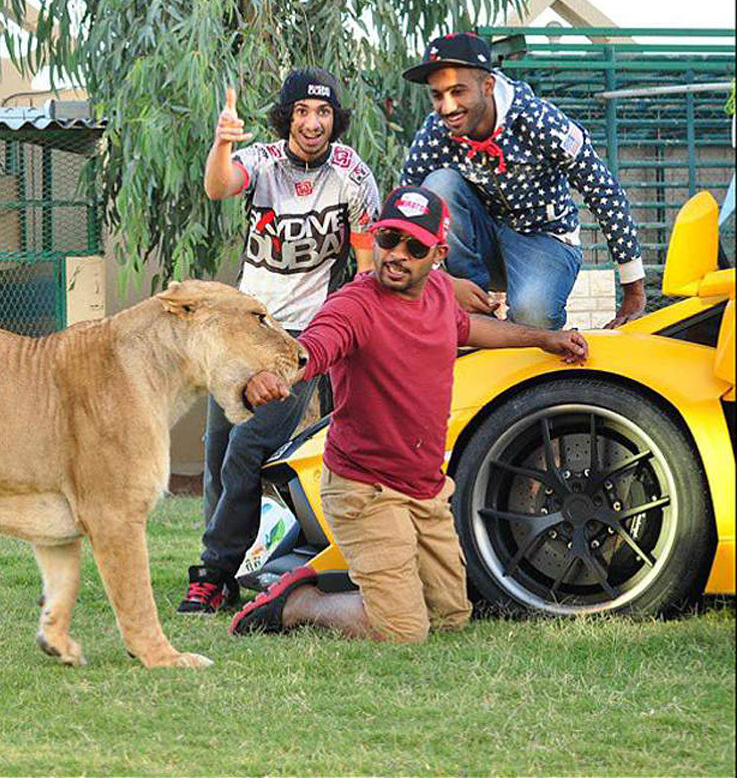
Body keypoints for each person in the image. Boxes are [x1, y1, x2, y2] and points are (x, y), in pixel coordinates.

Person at [228, 185, 588, 642]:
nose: (396, 255)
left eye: (414, 247)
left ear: (438, 254)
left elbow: (467, 327)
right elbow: (313, 348)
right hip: (365, 489)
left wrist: (542, 338)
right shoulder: (353, 306)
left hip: (426, 489)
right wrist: (273, 374)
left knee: (450, 617)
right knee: (402, 631)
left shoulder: (439, 291)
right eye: (388, 240)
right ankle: (300, 603)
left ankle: (377, 590)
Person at [177, 68, 381, 614]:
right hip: (244, 330)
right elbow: (219, 186)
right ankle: (223, 574)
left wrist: (349, 335)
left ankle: (215, 569)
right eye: (301, 112)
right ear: (286, 117)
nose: (313, 123)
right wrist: (222, 143)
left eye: (322, 113)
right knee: (220, 451)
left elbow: (366, 266)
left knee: (248, 449)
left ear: (335, 118)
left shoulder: (352, 175)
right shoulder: (264, 162)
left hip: (300, 341)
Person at [398, 31, 646, 330]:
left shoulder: (539, 121)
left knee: (533, 316)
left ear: (487, 85)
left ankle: (525, 327)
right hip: (482, 240)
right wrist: (443, 281)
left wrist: (633, 289)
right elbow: (405, 209)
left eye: (458, 91)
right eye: (438, 95)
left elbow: (602, 190)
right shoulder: (436, 133)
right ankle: (473, 317)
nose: (448, 107)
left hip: (543, 239)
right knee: (438, 185)